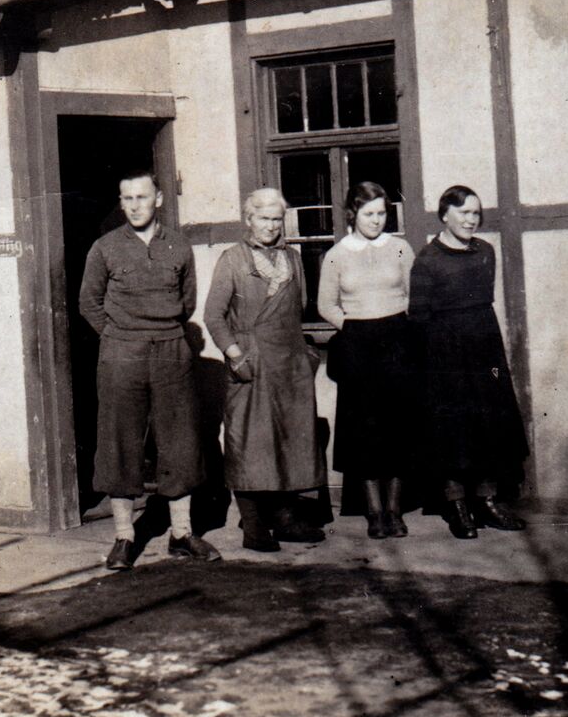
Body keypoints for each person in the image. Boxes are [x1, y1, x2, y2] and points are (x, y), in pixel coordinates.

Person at [78, 168, 222, 569]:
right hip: (122, 352)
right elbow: (89, 302)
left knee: (180, 438)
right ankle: (124, 537)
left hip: (171, 349)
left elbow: (186, 302)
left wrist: (160, 332)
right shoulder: (104, 248)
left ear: (158, 199)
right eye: (127, 198)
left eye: (142, 197)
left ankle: (182, 534)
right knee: (119, 439)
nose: (134, 206)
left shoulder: (178, 245)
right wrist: (120, 335)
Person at [203, 188, 329, 551]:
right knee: (250, 441)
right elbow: (213, 315)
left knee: (289, 439)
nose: (271, 226)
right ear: (249, 220)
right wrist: (236, 355)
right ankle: (254, 526)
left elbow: (299, 307)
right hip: (252, 362)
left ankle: (286, 518)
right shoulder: (233, 259)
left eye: (277, 219)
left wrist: (303, 355)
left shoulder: (293, 258)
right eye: (263, 219)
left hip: (289, 364)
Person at [407, 185, 529, 540]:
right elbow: (418, 319)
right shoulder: (427, 260)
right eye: (464, 213)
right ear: (445, 215)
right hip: (445, 355)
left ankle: (488, 501)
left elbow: (483, 304)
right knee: (453, 428)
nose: (471, 220)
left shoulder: (485, 252)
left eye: (476, 213)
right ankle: (457, 505)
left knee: (489, 421)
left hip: (485, 351)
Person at [317, 181, 420, 539]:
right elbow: (325, 304)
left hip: (397, 343)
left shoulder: (401, 248)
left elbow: (414, 295)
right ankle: (374, 512)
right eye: (368, 214)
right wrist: (352, 326)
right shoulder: (337, 254)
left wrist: (398, 323)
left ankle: (395, 510)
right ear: (353, 214)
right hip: (358, 347)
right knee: (364, 431)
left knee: (398, 427)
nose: (376, 220)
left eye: (381, 213)